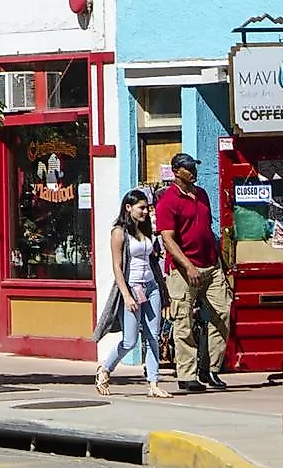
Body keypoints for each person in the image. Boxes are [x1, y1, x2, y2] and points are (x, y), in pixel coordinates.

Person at [155, 152, 231, 392]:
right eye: (188, 168)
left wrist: (222, 263)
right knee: (183, 321)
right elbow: (167, 239)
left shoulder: (201, 195)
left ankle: (210, 369)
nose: (193, 171)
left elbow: (208, 230)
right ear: (177, 171)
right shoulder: (168, 200)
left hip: (211, 264)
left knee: (223, 313)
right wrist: (188, 266)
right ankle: (186, 374)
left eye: (193, 167)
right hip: (183, 270)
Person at [97, 189, 171, 397]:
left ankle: (153, 383)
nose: (145, 211)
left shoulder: (146, 231)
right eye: (141, 207)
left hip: (151, 286)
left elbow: (153, 260)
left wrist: (162, 291)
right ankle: (105, 369)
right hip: (131, 287)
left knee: (153, 336)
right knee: (130, 340)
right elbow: (117, 267)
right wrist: (127, 296)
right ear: (128, 208)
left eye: (147, 207)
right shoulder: (119, 232)